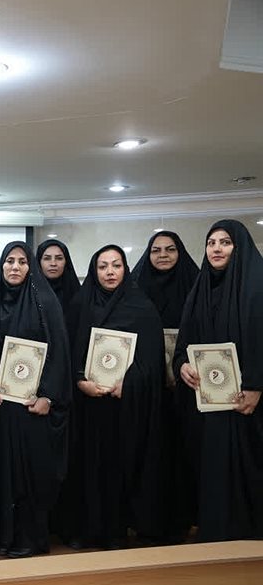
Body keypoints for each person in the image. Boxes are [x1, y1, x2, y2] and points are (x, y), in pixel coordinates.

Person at [60, 245, 165, 549]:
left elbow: (152, 361)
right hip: (86, 406)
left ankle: (116, 531)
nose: (109, 272)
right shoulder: (79, 305)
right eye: (103, 266)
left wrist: (128, 384)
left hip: (123, 407)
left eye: (116, 265)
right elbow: (67, 352)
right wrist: (79, 381)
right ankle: (86, 529)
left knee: (117, 467)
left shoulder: (141, 307)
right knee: (85, 467)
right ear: (94, 271)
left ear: (125, 269)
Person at [0, 242, 72, 557]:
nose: (15, 267)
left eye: (21, 261)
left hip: (31, 409)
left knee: (29, 474)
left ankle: (28, 539)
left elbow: (59, 353)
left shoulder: (46, 302)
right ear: (1, 266)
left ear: (31, 267)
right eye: (9, 261)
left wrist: (49, 396)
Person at [174, 220, 262, 541]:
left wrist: (256, 386)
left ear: (239, 247)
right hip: (209, 404)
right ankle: (216, 535)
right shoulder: (199, 291)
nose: (216, 249)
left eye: (225, 242)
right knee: (213, 467)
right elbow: (185, 342)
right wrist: (182, 365)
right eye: (211, 243)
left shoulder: (257, 287)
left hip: (248, 404)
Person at [132, 231, 200, 541]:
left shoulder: (196, 288)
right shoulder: (135, 289)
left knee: (183, 453)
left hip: (187, 389)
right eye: (156, 250)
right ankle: (146, 520)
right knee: (150, 452)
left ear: (180, 253)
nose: (163, 255)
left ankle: (184, 518)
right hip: (147, 392)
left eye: (170, 249)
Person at [35, 239, 81, 315]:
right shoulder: (29, 294)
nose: (53, 263)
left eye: (59, 258)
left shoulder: (78, 295)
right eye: (47, 258)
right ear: (39, 262)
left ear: (66, 262)